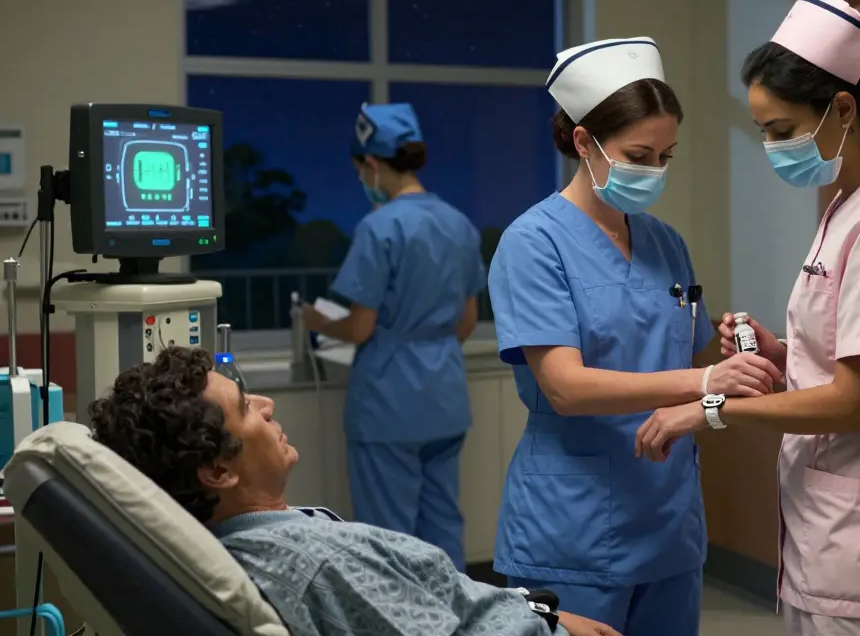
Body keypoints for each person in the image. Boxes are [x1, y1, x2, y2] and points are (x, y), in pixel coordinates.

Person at [634, 0, 860, 636]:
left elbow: (857, 401)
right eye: (763, 130)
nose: (770, 148)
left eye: (781, 131)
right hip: (835, 533)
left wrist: (707, 409)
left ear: (843, 108)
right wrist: (784, 353)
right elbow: (857, 361)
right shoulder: (849, 204)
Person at [486, 36, 783, 636]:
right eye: (638, 154)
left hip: (668, 514)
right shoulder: (533, 242)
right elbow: (565, 387)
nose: (652, 172)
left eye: (665, 157)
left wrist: (731, 340)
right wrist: (705, 379)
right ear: (583, 142)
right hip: (573, 525)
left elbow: (688, 340)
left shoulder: (665, 243)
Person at [88, 347, 621, 636]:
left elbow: (442, 602)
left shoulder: (271, 539)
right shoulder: (316, 568)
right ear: (218, 472)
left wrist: (535, 609)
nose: (268, 405)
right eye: (247, 407)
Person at [302, 102, 486, 571]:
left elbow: (360, 326)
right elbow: (466, 322)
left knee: (388, 539)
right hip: (444, 398)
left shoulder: (379, 227)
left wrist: (319, 322)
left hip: (388, 405)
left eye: (362, 169)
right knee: (443, 525)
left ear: (373, 164)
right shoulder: (459, 224)